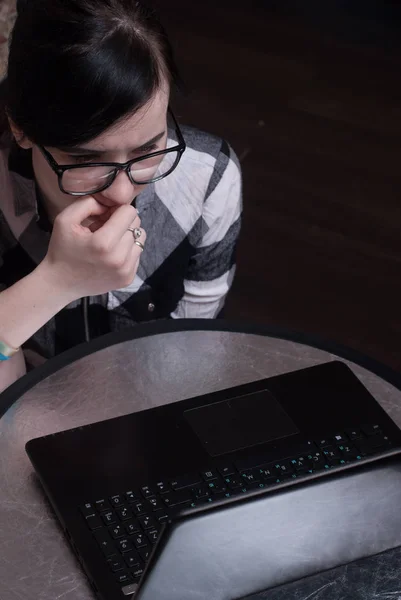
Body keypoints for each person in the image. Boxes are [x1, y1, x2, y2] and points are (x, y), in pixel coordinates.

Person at [0, 0, 242, 392]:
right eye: (84, 158)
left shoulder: (207, 180)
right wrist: (56, 282)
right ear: (20, 128)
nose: (123, 191)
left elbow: (195, 348)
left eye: (148, 150)